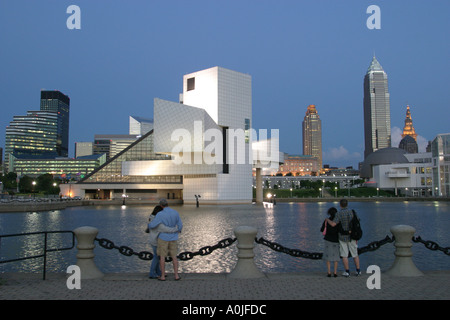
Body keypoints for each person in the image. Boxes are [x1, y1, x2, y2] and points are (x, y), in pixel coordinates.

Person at [148, 199, 183, 281]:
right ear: (168, 204)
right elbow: (180, 225)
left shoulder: (160, 214)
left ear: (161, 205)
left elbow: (152, 225)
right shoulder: (175, 212)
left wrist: (149, 225)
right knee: (174, 257)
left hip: (163, 238)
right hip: (174, 237)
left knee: (162, 257)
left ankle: (162, 276)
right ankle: (176, 275)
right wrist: (178, 230)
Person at [327, 199, 361, 277]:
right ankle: (358, 270)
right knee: (355, 254)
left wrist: (327, 220)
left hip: (342, 237)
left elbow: (333, 224)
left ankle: (347, 271)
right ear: (347, 204)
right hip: (353, 236)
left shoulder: (339, 214)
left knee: (344, 255)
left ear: (340, 205)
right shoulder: (352, 212)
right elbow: (358, 221)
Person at [320, 207, 339, 277]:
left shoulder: (326, 221)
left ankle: (329, 272)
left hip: (328, 239)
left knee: (328, 256)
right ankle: (335, 272)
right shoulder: (338, 221)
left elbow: (322, 230)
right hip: (336, 240)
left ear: (329, 213)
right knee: (336, 257)